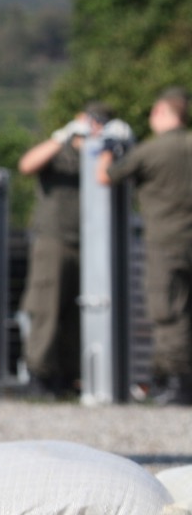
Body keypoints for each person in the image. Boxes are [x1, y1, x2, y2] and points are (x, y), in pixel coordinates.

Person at [97, 87, 192, 405]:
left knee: (168, 312)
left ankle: (175, 382)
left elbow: (105, 176)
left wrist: (107, 147)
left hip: (167, 242)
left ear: (164, 113)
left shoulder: (153, 151)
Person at [17, 103, 112, 395]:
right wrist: (63, 138)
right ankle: (40, 374)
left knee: (79, 313)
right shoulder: (59, 151)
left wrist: (105, 145)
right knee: (47, 307)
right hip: (54, 239)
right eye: (89, 121)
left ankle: (69, 376)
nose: (92, 127)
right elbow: (26, 165)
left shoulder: (101, 154)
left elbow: (107, 175)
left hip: (91, 243)